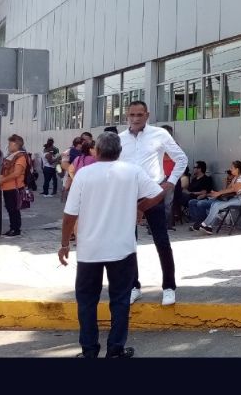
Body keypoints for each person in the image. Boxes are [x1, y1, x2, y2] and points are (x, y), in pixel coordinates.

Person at [58, 132, 165, 358]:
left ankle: (89, 350)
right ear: (119, 151)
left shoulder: (84, 174)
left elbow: (69, 214)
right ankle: (115, 349)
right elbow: (158, 193)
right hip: (122, 249)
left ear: (97, 150)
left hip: (89, 250)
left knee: (87, 301)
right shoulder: (132, 171)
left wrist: (65, 243)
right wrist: (140, 207)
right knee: (120, 300)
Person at [118, 101, 187, 306]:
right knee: (128, 243)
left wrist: (170, 183)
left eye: (140, 114)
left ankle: (168, 287)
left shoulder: (159, 134)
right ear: (126, 116)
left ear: (147, 115)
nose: (136, 118)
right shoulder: (120, 139)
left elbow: (181, 159)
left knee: (162, 241)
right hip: (128, 195)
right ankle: (133, 286)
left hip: (153, 193)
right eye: (132, 115)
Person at [190, 161, 241, 234]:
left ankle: (204, 224)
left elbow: (235, 189)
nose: (230, 169)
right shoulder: (235, 178)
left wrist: (219, 193)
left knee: (217, 205)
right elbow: (227, 190)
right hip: (234, 198)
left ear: (237, 169)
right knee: (214, 204)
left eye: (232, 168)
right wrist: (225, 184)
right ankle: (209, 227)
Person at [0, 134, 29, 237]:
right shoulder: (12, 156)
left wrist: (3, 179)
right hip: (8, 187)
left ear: (15, 144)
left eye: (10, 143)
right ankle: (12, 227)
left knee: (14, 209)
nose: (8, 146)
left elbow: (17, 173)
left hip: (14, 187)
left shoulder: (20, 157)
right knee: (10, 209)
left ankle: (16, 229)